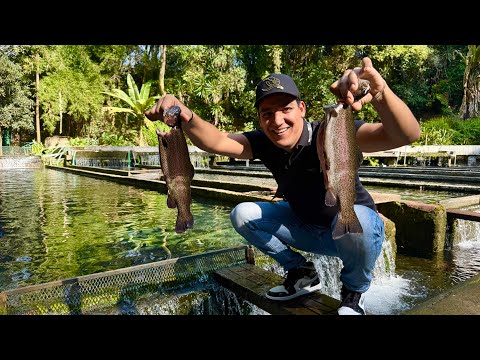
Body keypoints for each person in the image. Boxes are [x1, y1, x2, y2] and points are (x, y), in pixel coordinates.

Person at [145, 57, 421, 315]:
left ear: (301, 109)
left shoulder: (333, 131)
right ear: (259, 116)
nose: (277, 121)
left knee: (356, 214)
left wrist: (380, 91)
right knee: (242, 214)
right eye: (267, 113)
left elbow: (406, 134)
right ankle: (301, 271)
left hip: (357, 233)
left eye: (286, 109)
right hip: (311, 231)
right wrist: (187, 116)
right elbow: (216, 141)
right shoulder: (263, 142)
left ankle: (354, 293)